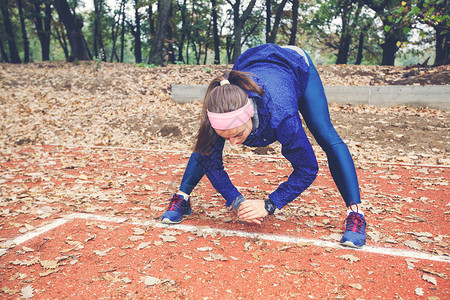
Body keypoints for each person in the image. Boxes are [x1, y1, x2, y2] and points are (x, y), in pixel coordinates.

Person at [161, 44, 366, 248]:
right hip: (253, 61)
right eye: (226, 136)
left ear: (250, 115)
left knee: (325, 134)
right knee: (207, 144)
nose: (233, 143)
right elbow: (211, 163)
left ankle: (356, 213)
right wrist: (236, 200)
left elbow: (307, 168)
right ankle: (182, 196)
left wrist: (270, 204)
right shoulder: (222, 104)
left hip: (294, 63)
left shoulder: (282, 116)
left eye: (238, 134)